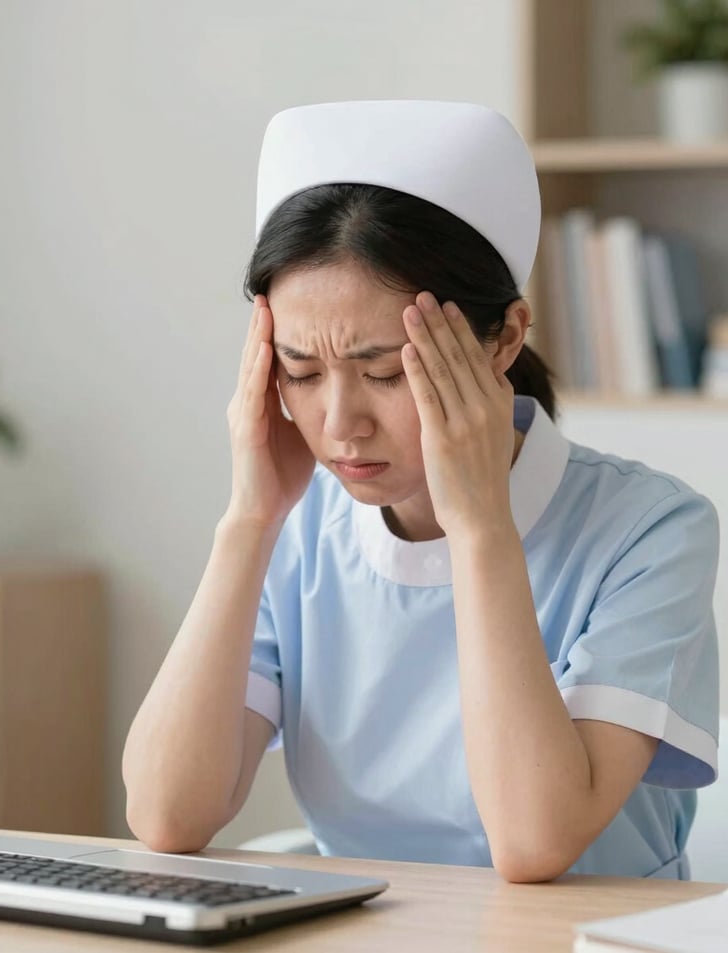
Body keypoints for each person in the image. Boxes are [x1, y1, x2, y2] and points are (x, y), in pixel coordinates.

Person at [122, 101, 720, 883]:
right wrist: (249, 521)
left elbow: (535, 841)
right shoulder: (301, 531)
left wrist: (477, 528)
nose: (340, 424)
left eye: (383, 371)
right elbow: (167, 814)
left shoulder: (652, 530)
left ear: (504, 338)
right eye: (300, 372)